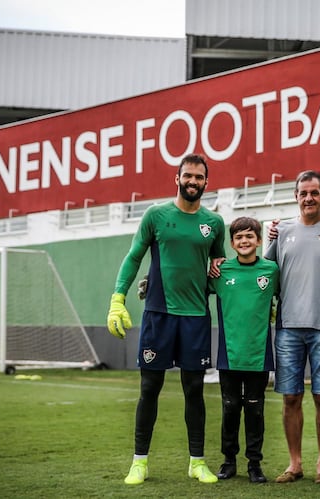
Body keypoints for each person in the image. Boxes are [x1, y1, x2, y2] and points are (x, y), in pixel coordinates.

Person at [106, 153, 226, 486]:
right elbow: (133, 257)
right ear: (177, 178)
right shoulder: (156, 215)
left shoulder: (215, 224)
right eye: (187, 176)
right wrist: (118, 299)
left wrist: (220, 275)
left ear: (206, 182)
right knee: (149, 388)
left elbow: (220, 267)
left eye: (199, 177)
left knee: (194, 391)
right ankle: (139, 462)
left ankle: (197, 462)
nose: (193, 181)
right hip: (158, 315)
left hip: (196, 318)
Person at [263, 171, 320, 485]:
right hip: (286, 329)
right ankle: (294, 463)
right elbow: (262, 272)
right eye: (303, 193)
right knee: (290, 398)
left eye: (314, 192)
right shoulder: (281, 232)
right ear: (296, 197)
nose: (308, 198)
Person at [209, 217, 279, 484]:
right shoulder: (221, 271)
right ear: (232, 243)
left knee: (255, 410)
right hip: (229, 355)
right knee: (229, 408)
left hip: (258, 355)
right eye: (238, 238)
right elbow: (194, 286)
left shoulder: (271, 270)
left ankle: (254, 464)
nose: (244, 241)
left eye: (249, 236)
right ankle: (228, 461)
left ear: (259, 241)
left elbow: (290, 291)